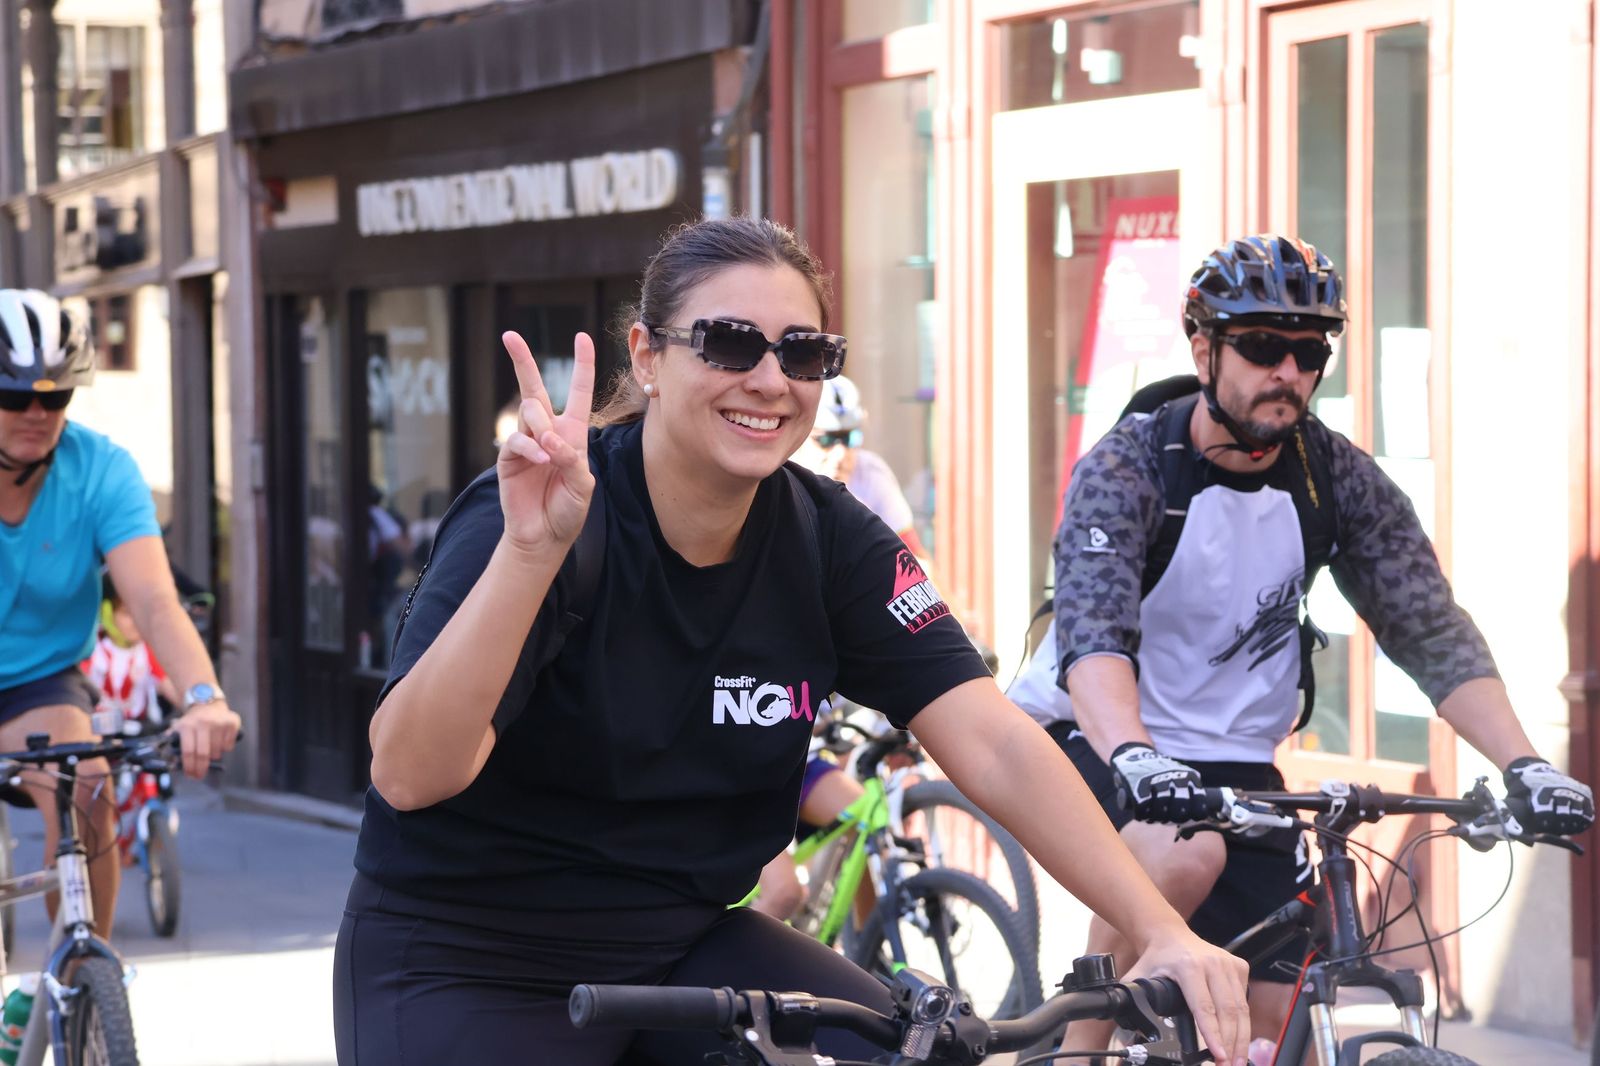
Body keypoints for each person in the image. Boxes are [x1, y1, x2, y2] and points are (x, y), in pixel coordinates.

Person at [337, 217, 1253, 1066]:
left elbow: (995, 739)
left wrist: (1159, 926)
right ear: (646, 356)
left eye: (804, 353)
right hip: (465, 957)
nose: (771, 380)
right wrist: (532, 555)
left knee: (924, 1053)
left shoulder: (830, 539)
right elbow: (410, 772)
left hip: (682, 942)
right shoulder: (540, 512)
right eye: (731, 344)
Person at [1006, 234, 1597, 1052]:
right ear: (1204, 347)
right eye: (1261, 347)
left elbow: (1428, 629)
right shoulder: (1132, 464)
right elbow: (1095, 636)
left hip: (1236, 757)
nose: (1287, 371)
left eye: (1309, 351)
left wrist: (1524, 762)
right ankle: (1081, 1048)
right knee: (1181, 858)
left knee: (1282, 1025)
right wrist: (1136, 757)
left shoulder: (1332, 476)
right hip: (1092, 735)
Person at [0, 288, 241, 938]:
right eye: (14, 396)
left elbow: (156, 602)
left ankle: (82, 979)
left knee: (89, 786)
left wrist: (202, 697)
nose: (36, 412)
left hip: (38, 681)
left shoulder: (101, 469)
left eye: (55, 396)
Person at [793, 373, 929, 558]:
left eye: (850, 438)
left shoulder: (870, 472)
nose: (840, 454)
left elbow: (913, 557)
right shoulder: (775, 477)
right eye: (824, 440)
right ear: (797, 434)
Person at [81, 574, 180, 735]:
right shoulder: (91, 649)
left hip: (138, 735)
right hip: (96, 736)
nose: (136, 621)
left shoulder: (147, 652)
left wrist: (196, 709)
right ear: (107, 613)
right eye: (127, 613)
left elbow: (170, 687)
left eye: (140, 613)